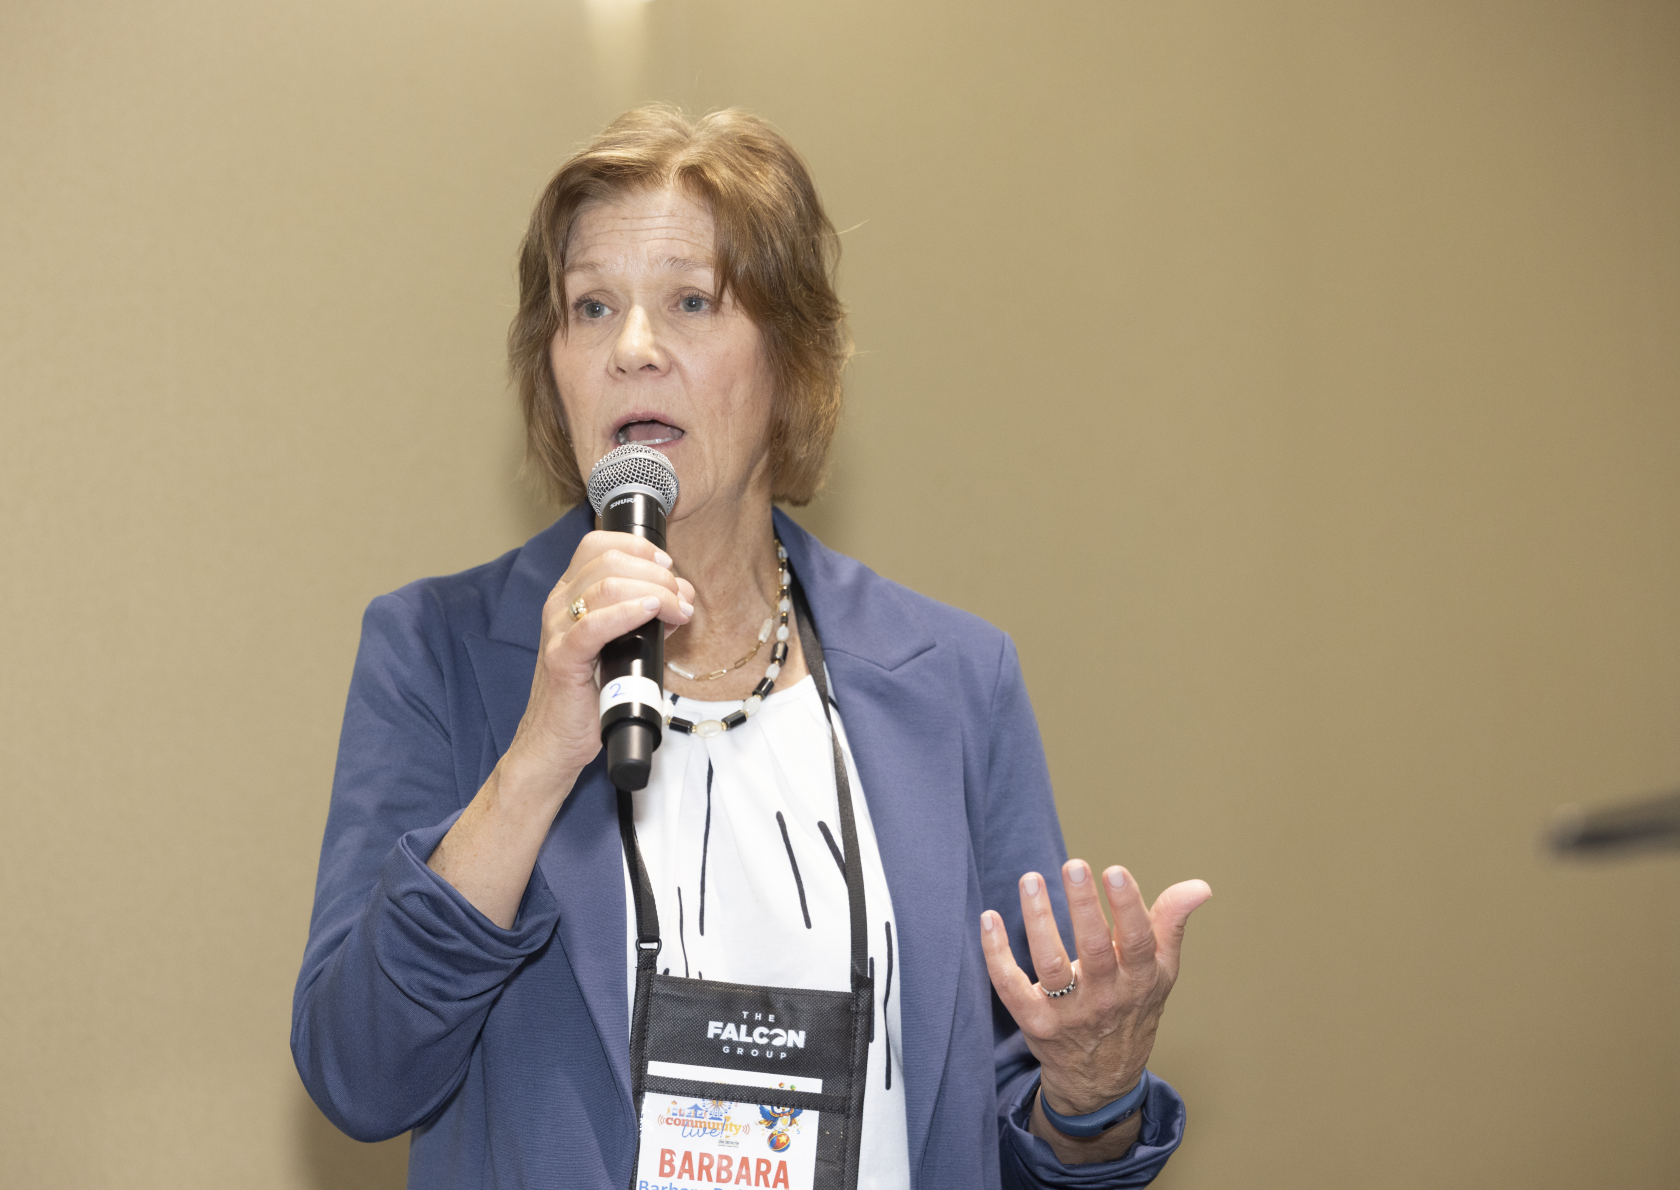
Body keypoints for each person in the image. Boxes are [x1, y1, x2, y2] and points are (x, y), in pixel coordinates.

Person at [293, 105, 1212, 1190]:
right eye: (592, 307)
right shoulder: (437, 654)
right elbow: (360, 1075)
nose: (633, 348)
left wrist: (1094, 1096)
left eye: (690, 301)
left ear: (793, 357)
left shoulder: (957, 683)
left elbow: (1025, 1132)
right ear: (553, 366)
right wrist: (537, 756)